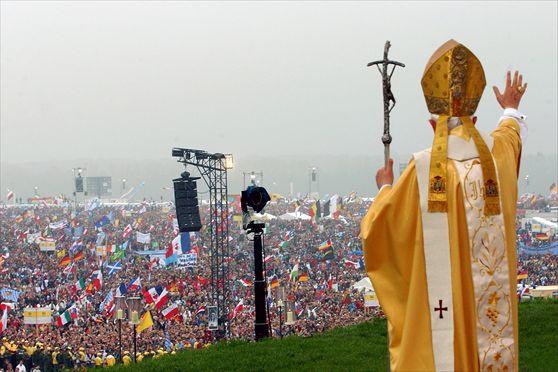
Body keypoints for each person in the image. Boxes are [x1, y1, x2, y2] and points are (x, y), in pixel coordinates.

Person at [361, 39, 527, 371]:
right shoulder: (497, 161)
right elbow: (511, 134)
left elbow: (381, 230)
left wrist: (384, 188)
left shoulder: (421, 171)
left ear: (432, 125)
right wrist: (509, 106)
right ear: (475, 120)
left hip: (441, 324)